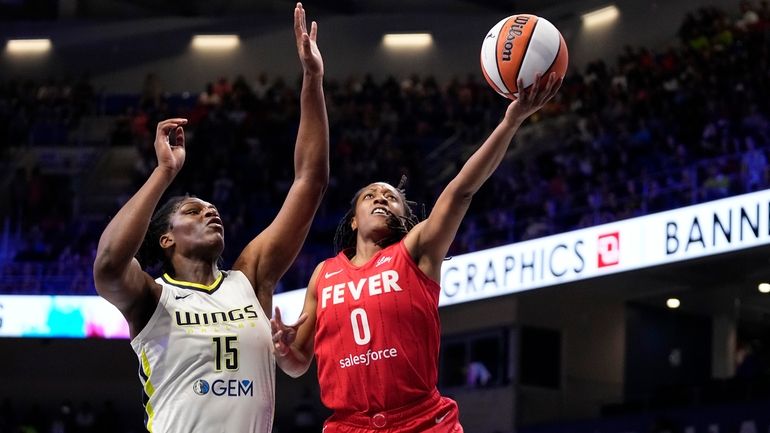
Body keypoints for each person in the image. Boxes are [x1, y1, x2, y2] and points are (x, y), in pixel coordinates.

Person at [271, 73, 562, 432]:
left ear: (405, 219)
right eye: (371, 195)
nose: (381, 198)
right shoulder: (324, 273)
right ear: (352, 223)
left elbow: (461, 192)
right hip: (349, 425)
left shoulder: (417, 252)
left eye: (391, 197)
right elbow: (298, 363)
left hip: (422, 421)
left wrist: (511, 120)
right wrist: (285, 351)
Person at [92, 3, 327, 432]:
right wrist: (164, 173)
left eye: (210, 207)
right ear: (166, 239)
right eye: (192, 210)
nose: (210, 210)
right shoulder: (151, 298)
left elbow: (309, 182)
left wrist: (312, 80)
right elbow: (107, 263)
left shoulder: (249, 278)